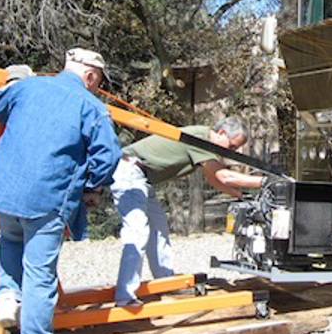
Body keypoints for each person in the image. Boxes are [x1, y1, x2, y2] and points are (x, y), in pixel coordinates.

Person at [0, 48, 121, 334]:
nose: (97, 87)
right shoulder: (91, 106)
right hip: (47, 197)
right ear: (90, 76)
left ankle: (8, 298)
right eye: (98, 81)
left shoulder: (27, 87)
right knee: (40, 273)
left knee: (10, 243)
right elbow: (109, 157)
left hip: (3, 190)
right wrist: (91, 186)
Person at [111, 117, 267, 307]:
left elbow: (214, 179)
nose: (230, 152)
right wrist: (264, 182)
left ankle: (165, 281)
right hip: (129, 171)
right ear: (222, 133)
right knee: (137, 232)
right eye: (232, 147)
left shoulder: (203, 142)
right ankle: (125, 297)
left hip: (141, 177)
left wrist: (241, 196)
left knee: (158, 229)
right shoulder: (200, 139)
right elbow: (223, 176)